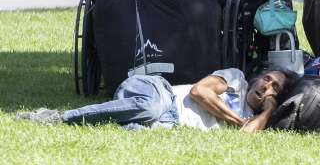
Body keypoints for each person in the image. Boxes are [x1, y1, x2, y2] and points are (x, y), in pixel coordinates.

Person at [16, 68, 292, 133]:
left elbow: (247, 133)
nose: (267, 85)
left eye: (275, 87)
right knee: (148, 107)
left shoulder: (259, 113)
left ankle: (107, 120)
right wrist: (237, 119)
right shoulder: (234, 79)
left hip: (167, 121)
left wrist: (268, 109)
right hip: (158, 91)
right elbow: (199, 92)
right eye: (266, 78)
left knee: (140, 129)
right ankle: (59, 116)